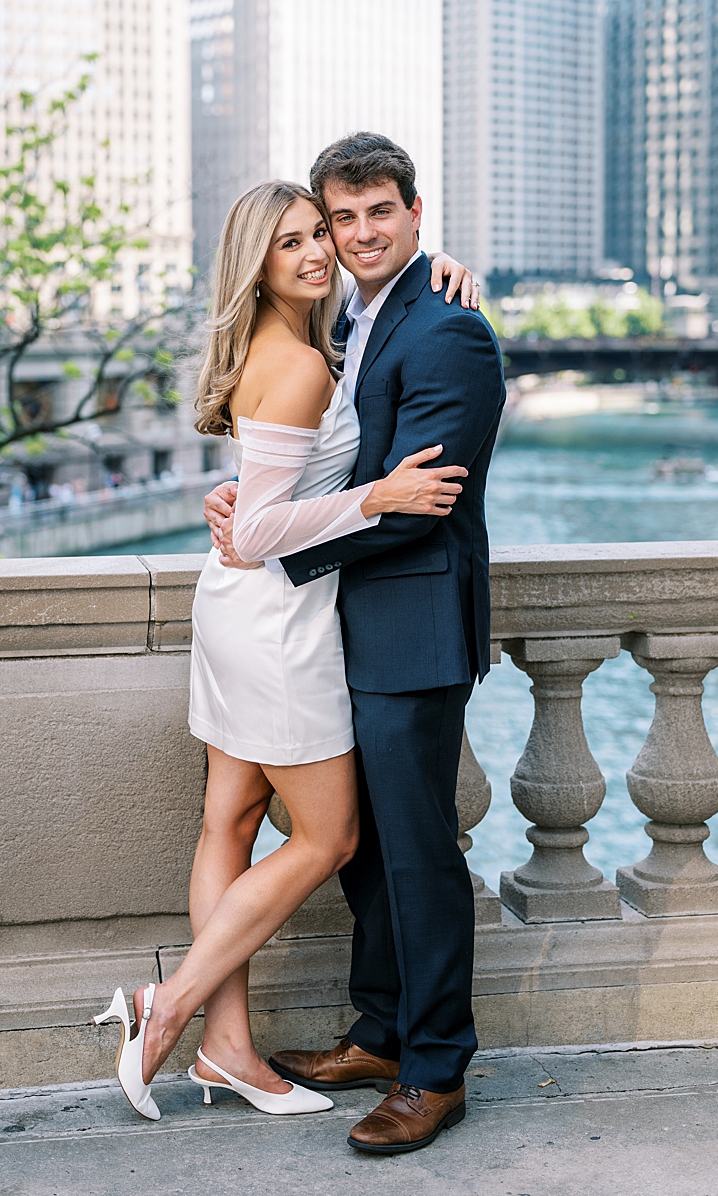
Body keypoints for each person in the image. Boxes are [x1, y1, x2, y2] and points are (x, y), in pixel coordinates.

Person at [90, 178, 479, 1125]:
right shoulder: (300, 361)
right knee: (331, 837)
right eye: (297, 241)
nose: (320, 252)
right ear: (255, 264)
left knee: (229, 817)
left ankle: (227, 1049)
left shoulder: (319, 330)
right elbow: (263, 524)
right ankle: (169, 1005)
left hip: (243, 606)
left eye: (325, 231)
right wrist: (375, 499)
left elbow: (256, 502)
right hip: (277, 620)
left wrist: (443, 270)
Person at [200, 132, 508, 1156]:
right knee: (365, 855)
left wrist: (267, 541)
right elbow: (312, 464)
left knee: (418, 856)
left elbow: (421, 503)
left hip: (409, 626)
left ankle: (434, 1070)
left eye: (381, 211)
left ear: (417, 215)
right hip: (339, 628)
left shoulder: (449, 327)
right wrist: (252, 504)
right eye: (343, 216)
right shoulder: (353, 320)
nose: (359, 233)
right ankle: (380, 1031)